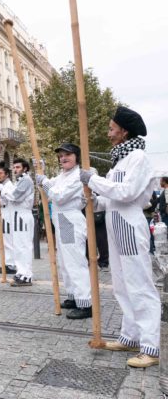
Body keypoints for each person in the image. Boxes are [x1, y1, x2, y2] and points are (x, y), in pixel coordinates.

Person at [81, 106, 161, 368]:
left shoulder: (138, 158)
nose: (109, 133)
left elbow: (127, 193)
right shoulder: (120, 160)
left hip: (129, 223)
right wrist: (95, 198)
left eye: (112, 128)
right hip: (115, 223)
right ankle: (131, 336)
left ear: (124, 131)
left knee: (139, 284)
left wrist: (94, 181)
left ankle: (150, 346)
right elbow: (112, 197)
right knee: (122, 285)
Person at [37, 143, 91, 319]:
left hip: (70, 219)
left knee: (75, 262)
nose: (63, 158)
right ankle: (74, 296)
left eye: (67, 154)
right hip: (61, 221)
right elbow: (48, 185)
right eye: (60, 156)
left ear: (76, 156)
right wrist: (41, 171)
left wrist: (44, 182)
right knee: (65, 262)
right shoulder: (62, 175)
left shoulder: (78, 175)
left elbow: (58, 196)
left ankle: (85, 302)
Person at [0, 158, 34, 287]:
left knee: (23, 246)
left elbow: (14, 196)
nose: (15, 169)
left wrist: (1, 188)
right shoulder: (20, 181)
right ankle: (21, 272)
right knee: (18, 246)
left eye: (18, 167)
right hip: (17, 215)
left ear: (25, 168)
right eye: (14, 167)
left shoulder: (26, 180)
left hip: (22, 215)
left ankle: (26, 275)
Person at [0, 162, 16, 275]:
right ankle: (8, 262)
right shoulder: (3, 186)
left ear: (6, 175)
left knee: (9, 240)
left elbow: (4, 200)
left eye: (0, 173)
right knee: (6, 240)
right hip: (4, 213)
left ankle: (11, 264)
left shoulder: (8, 185)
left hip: (9, 214)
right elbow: (0, 202)